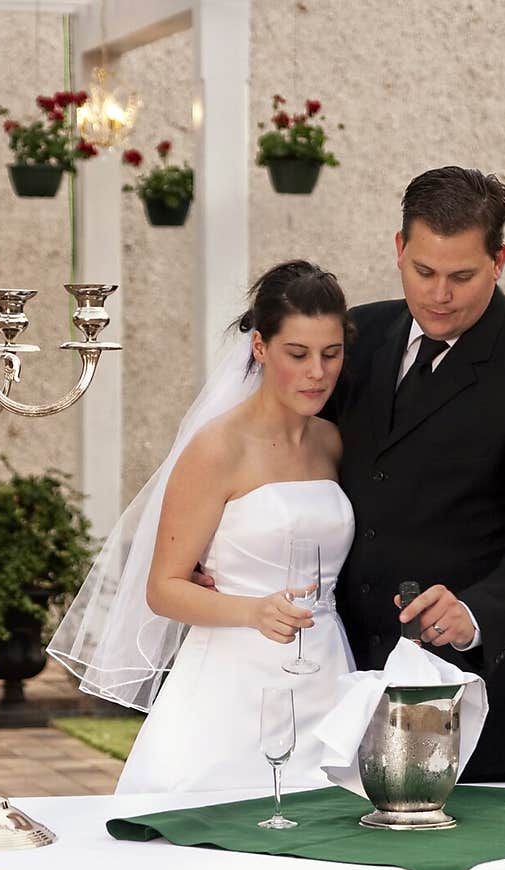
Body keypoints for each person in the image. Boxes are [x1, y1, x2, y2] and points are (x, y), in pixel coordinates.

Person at [329, 166, 505, 782]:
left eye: (462, 276)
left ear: (499, 259)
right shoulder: (353, 340)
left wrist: (475, 613)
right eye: (423, 272)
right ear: (399, 248)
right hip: (345, 690)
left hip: (489, 709)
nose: (439, 295)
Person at [48, 261, 357, 795]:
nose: (317, 372)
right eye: (298, 354)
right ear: (260, 347)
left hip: (327, 674)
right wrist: (253, 611)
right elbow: (163, 589)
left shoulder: (331, 442)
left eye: (331, 354)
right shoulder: (217, 448)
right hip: (232, 684)